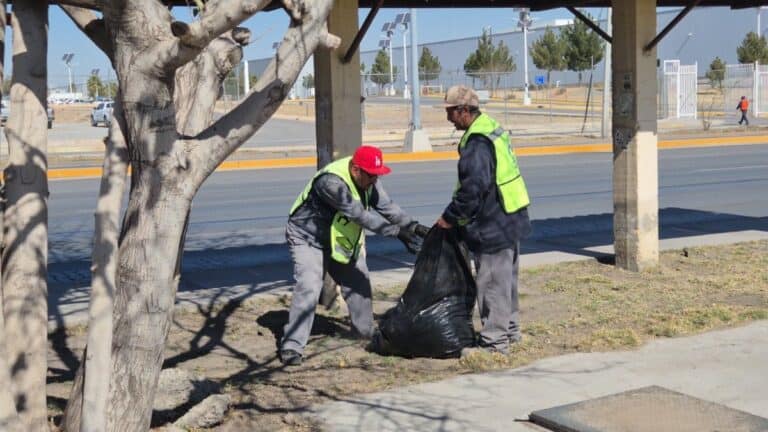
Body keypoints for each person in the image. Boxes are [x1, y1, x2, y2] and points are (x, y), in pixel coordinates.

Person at [280, 145, 428, 366]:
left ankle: (364, 334)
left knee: (359, 284)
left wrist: (414, 226)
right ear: (356, 170)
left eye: (377, 176)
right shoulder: (331, 183)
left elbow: (387, 207)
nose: (374, 181)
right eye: (371, 176)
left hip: (339, 239)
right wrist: (397, 232)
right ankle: (292, 347)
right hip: (307, 237)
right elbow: (359, 215)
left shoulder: (369, 179)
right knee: (309, 286)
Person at [436, 85, 532, 355]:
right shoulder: (491, 127)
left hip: (492, 223)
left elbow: (472, 190)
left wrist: (449, 218)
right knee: (506, 282)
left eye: (451, 112)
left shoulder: (477, 143)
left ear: (464, 111)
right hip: (510, 217)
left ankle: (494, 343)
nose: (448, 118)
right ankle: (510, 331)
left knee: (492, 283)